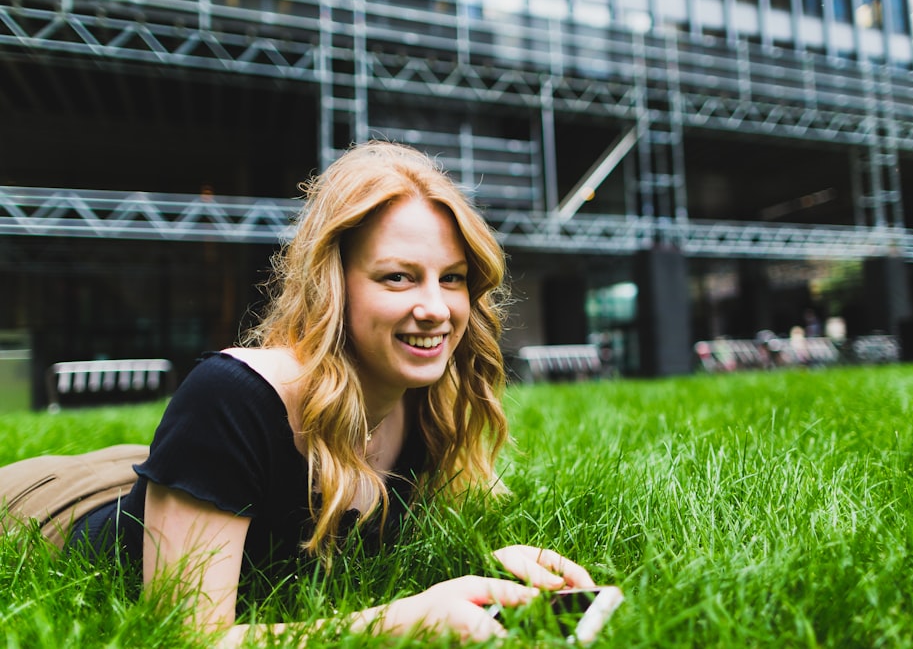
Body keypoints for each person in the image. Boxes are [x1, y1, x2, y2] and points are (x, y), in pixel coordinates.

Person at [6, 141, 595, 645]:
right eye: (398, 277)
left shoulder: (424, 395)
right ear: (334, 284)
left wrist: (494, 568)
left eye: (453, 278)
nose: (436, 309)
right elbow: (185, 635)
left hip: (185, 482)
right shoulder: (232, 396)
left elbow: (412, 559)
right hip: (45, 507)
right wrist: (399, 622)